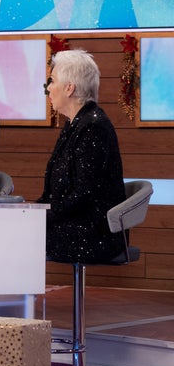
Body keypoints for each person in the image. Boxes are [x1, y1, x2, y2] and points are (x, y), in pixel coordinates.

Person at [39, 49, 126, 263]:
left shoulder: (93, 126)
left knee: (16, 236)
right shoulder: (74, 124)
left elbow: (83, 195)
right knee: (14, 228)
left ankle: (18, 297)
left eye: (52, 81)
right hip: (72, 222)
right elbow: (56, 192)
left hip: (93, 230)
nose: (48, 88)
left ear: (69, 88)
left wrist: (41, 218)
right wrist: (32, 211)